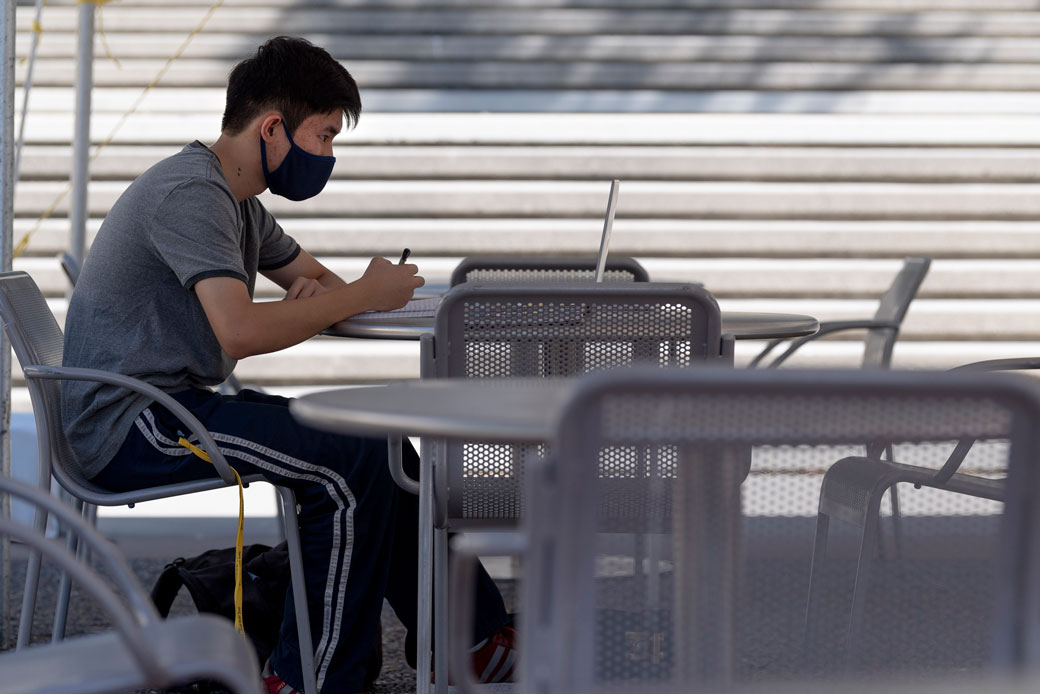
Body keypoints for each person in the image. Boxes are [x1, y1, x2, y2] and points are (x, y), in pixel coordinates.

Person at [60, 36, 513, 694]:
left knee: (381, 444)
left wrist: (342, 293)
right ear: (272, 128)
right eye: (324, 136)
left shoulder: (239, 201)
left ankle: (469, 642)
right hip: (132, 422)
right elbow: (240, 331)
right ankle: (311, 680)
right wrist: (363, 293)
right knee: (348, 467)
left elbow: (315, 279)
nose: (327, 155)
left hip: (169, 404)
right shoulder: (192, 195)